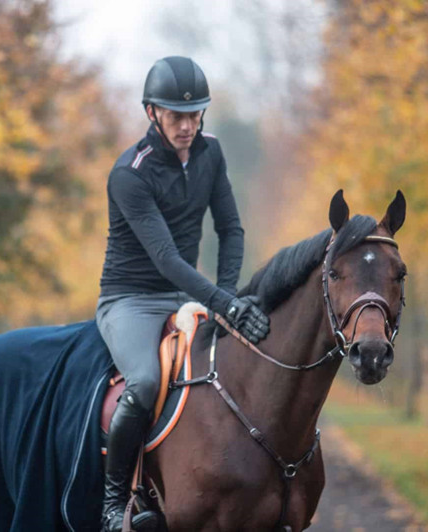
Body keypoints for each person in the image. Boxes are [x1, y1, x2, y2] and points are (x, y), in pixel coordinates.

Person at [95, 56, 271, 531]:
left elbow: (231, 229)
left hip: (183, 297)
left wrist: (230, 298)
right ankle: (115, 508)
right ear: (152, 112)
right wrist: (222, 303)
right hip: (129, 299)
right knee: (147, 384)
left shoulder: (212, 153)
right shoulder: (130, 173)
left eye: (195, 115)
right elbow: (167, 259)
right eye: (176, 115)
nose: (187, 125)